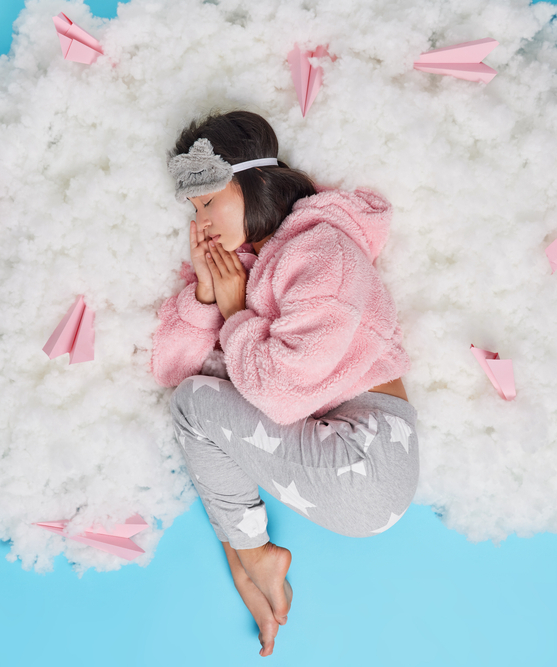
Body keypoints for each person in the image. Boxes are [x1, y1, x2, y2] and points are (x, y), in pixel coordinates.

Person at [151, 110, 418, 657]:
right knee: (202, 405)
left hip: (367, 459)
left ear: (252, 181)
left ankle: (251, 556)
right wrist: (207, 295)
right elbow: (180, 373)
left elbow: (276, 393)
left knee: (200, 406)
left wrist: (233, 313)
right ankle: (249, 567)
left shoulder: (322, 252)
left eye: (208, 201)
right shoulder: (250, 267)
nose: (198, 223)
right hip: (345, 456)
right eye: (192, 209)